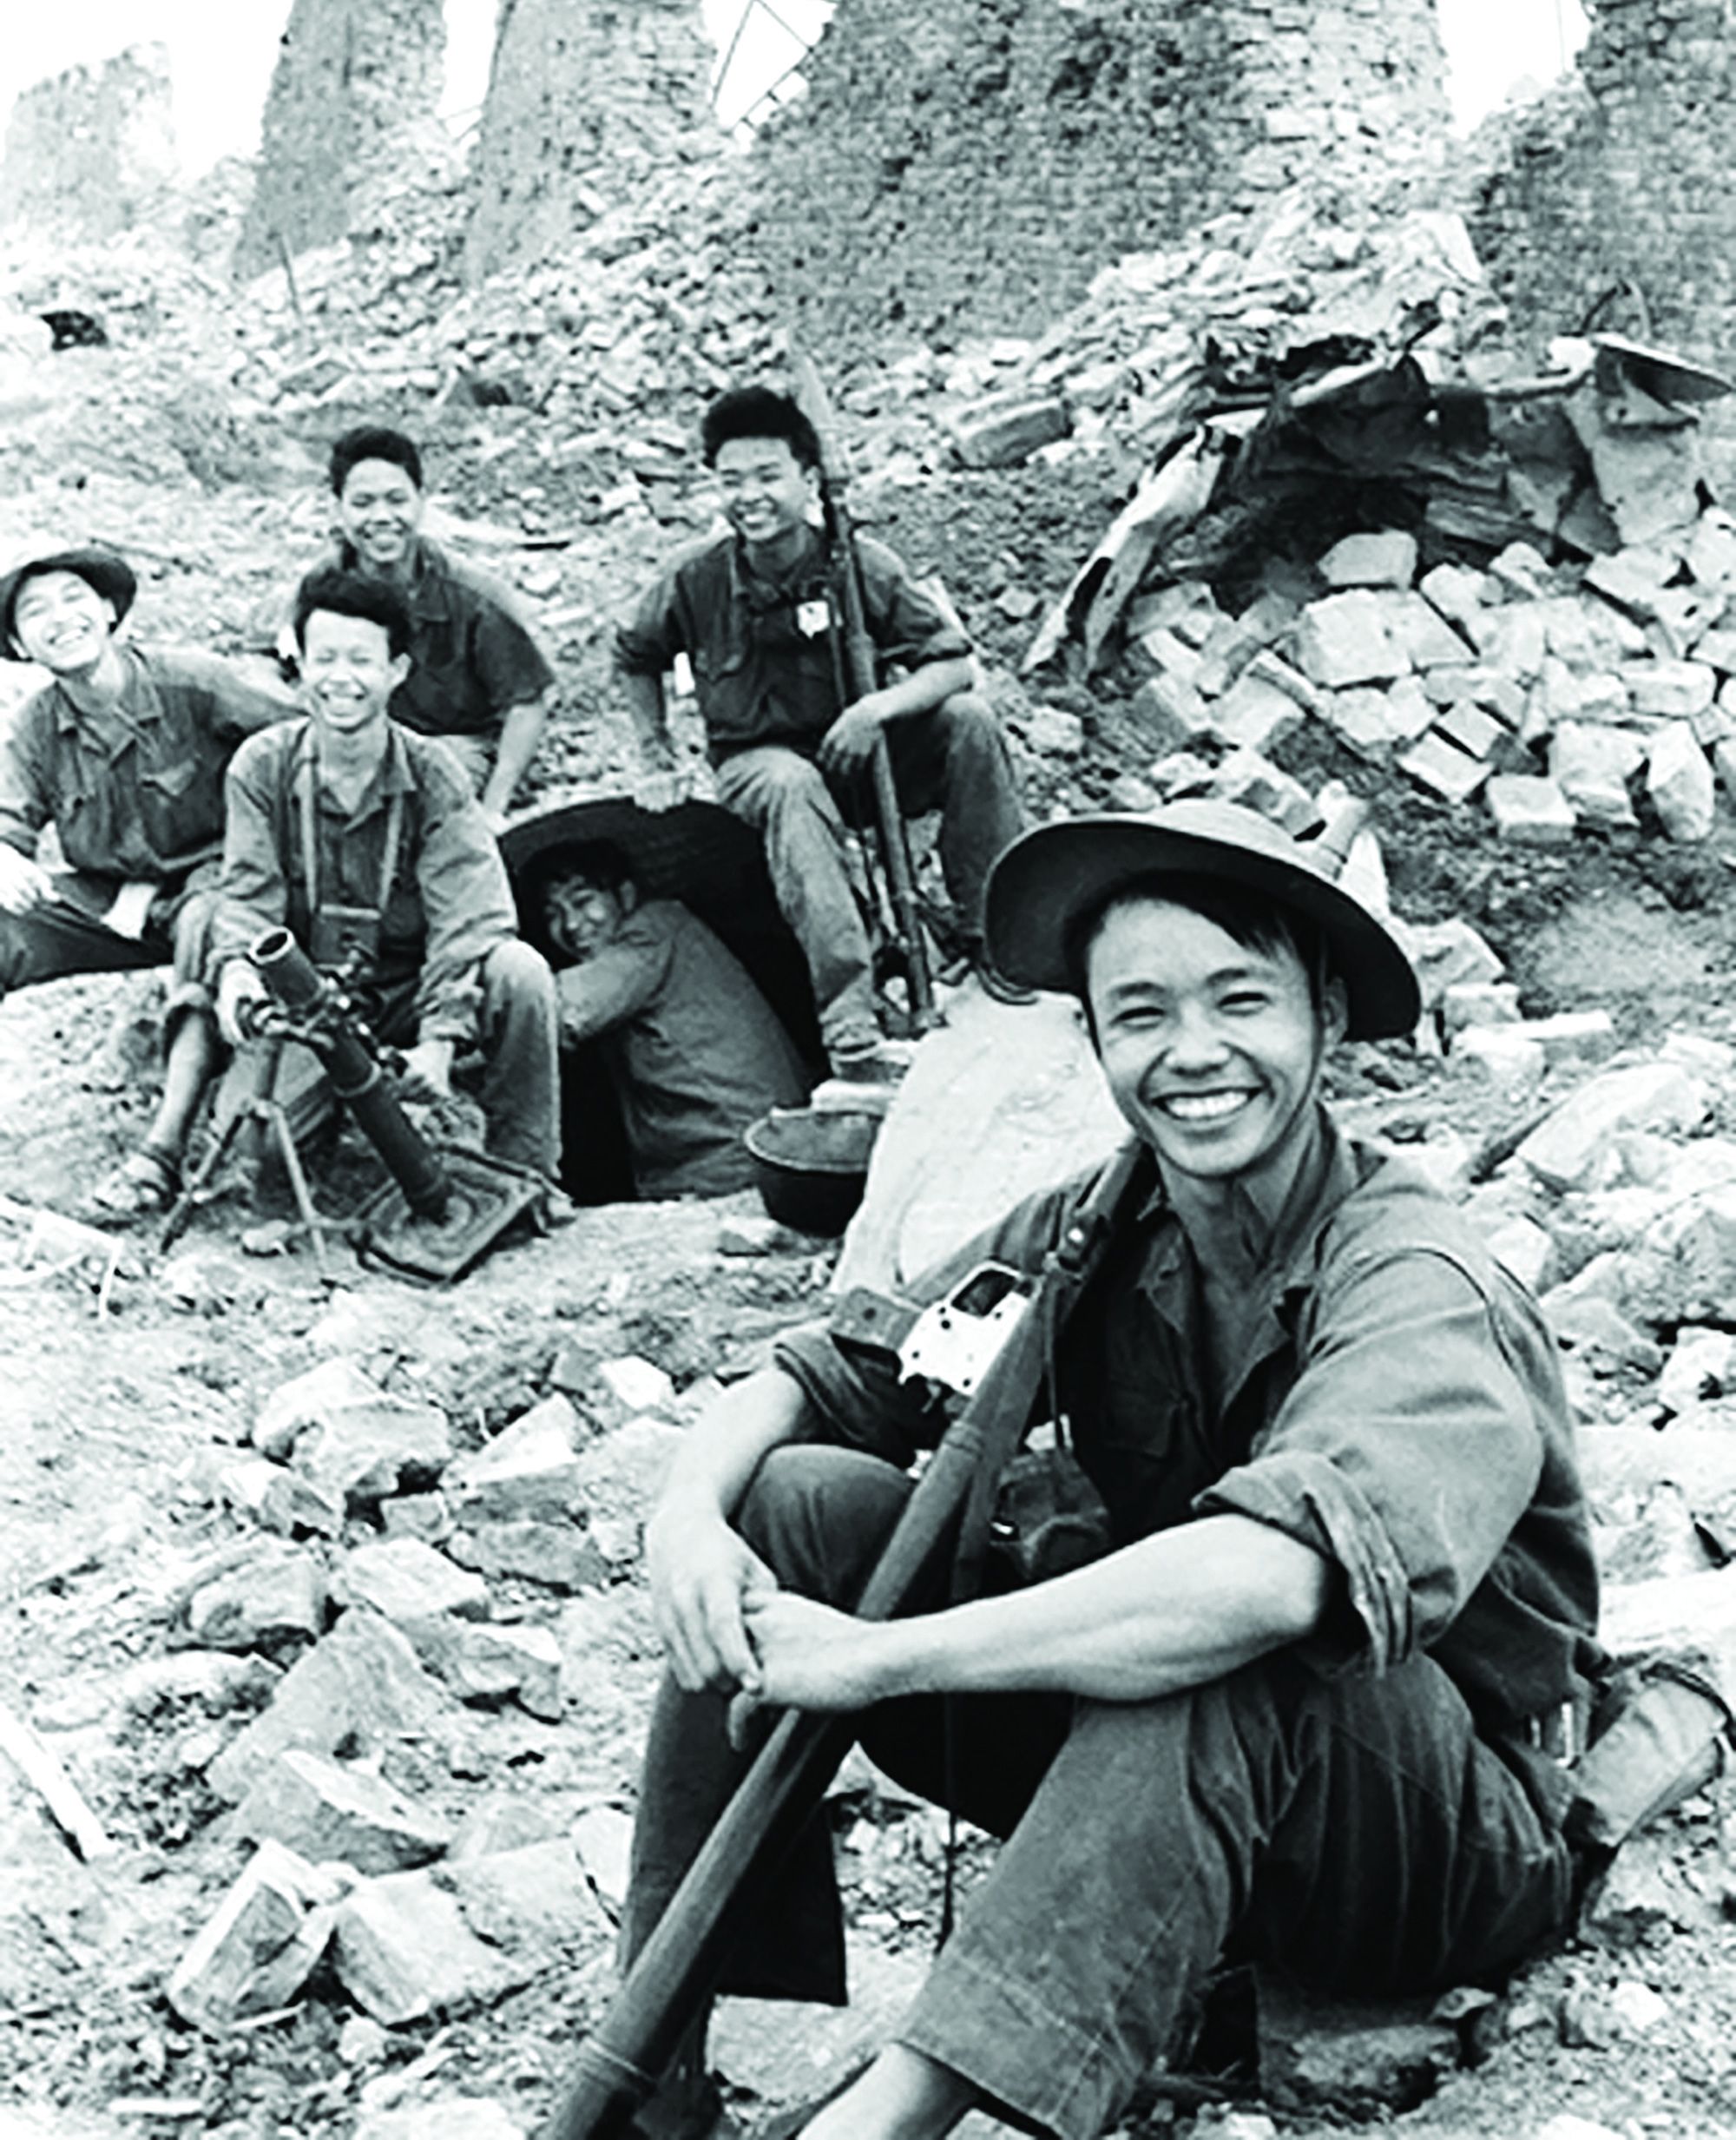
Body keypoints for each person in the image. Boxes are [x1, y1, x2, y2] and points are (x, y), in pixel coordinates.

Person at [618, 798, 1601, 2140]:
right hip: (1171, 1793)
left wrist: (878, 1660)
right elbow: (829, 1374)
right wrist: (686, 1516)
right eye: (1141, 1014)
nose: (1192, 1053)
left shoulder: (1416, 1277)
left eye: (1238, 1001)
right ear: (1094, 1040)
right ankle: (659, 2062)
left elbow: (1272, 1583)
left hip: (1436, 1837)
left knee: (1226, 1641)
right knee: (793, 1503)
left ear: (1321, 1016)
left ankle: (894, 2119)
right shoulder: (1102, 1223)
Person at [615, 385, 1025, 1083]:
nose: (750, 497)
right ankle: (850, 1019)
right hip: (760, 770)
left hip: (863, 754)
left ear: (807, 479)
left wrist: (877, 710)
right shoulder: (695, 579)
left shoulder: (859, 564)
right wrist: (655, 750)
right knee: (790, 783)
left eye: (767, 476)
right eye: (732, 481)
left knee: (969, 723)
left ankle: (1001, 940)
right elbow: (634, 655)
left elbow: (953, 665)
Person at [213, 566, 561, 1189]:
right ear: (300, 666)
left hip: (410, 985)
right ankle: (343, 1140)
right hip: (310, 996)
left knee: (520, 973)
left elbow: (469, 918)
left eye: (361, 661)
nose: (340, 679)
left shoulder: (435, 774)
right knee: (257, 1151)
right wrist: (238, 971)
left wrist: (441, 1038)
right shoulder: (261, 768)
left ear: (397, 670)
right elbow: (245, 895)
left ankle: (525, 1172)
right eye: (324, 659)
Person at [0, 541, 293, 1215]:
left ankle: (159, 1157)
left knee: (208, 925)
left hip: (224, 884)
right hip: (119, 899)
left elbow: (304, 739)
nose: (60, 618)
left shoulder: (195, 682)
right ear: (18, 644)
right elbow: (6, 820)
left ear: (109, 610)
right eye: (35, 611)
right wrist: (6, 858)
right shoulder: (34, 728)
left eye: (74, 599)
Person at [306, 425, 556, 829]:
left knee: (429, 776)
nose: (381, 518)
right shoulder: (323, 585)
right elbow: (282, 664)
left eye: (396, 500)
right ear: (338, 508)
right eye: (363, 503)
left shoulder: (474, 596)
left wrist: (494, 809)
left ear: (422, 500)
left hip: (456, 746)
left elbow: (527, 703)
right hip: (359, 734)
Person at [532, 839, 809, 1201]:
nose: (570, 924)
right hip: (742, 1148)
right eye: (552, 914)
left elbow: (552, 1012)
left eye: (584, 901)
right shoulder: (651, 942)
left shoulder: (654, 930)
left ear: (626, 895)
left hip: (733, 1156)